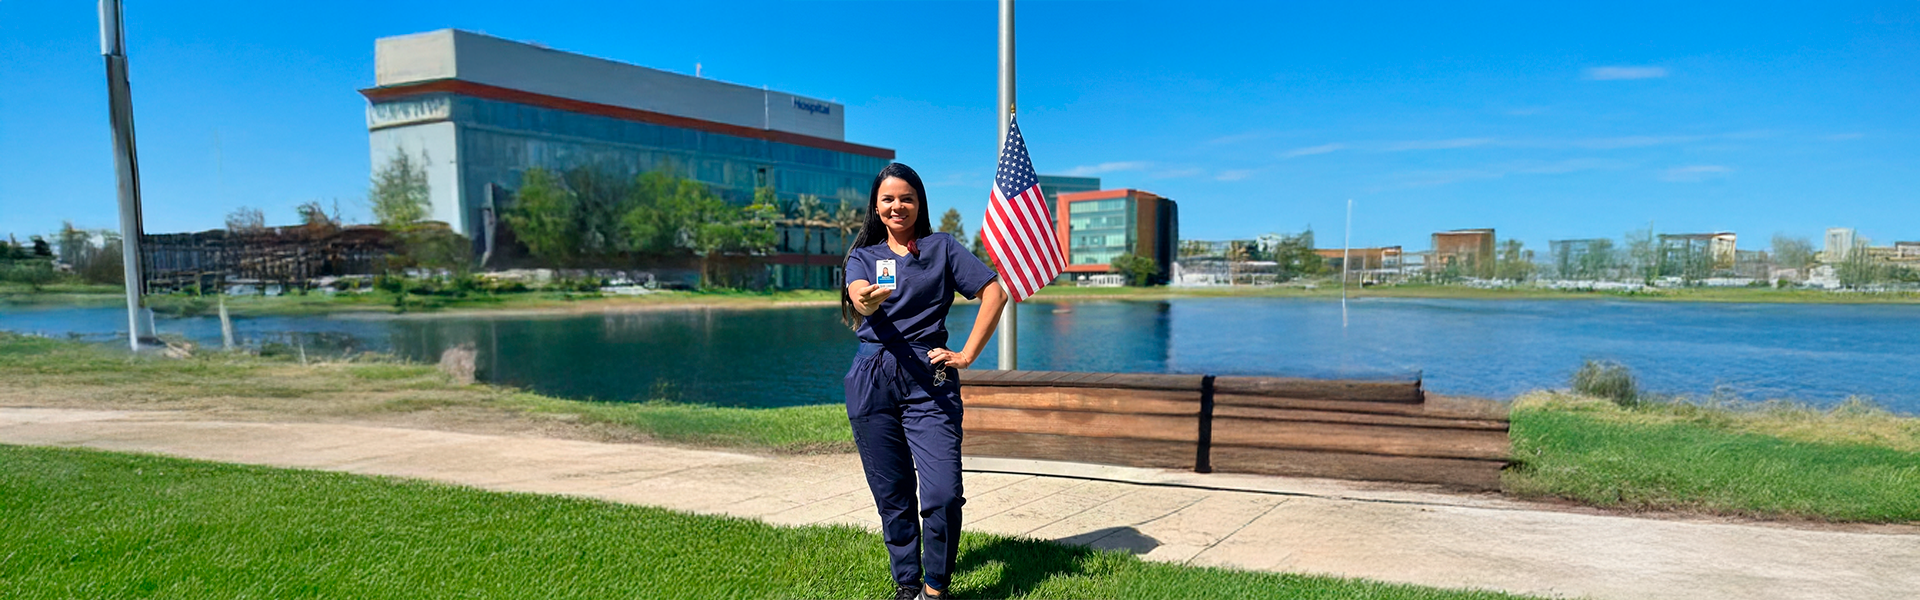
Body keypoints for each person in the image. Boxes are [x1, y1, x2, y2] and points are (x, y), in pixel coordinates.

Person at [841, 162, 1008, 600]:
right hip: (872, 376)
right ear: (876, 208)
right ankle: (907, 585)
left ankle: (935, 589)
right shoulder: (863, 256)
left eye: (907, 198)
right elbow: (858, 294)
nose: (898, 206)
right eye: (888, 199)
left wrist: (968, 353)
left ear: (919, 203)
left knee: (943, 493)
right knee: (892, 492)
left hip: (929, 377)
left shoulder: (943, 248)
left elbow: (995, 292)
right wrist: (868, 298)